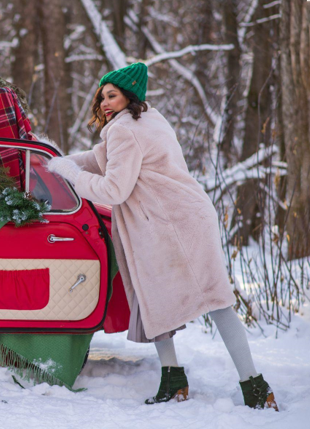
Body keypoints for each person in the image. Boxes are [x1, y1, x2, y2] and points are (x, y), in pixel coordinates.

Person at [46, 62, 278, 410]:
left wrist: (70, 174)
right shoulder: (146, 120)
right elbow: (99, 158)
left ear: (130, 95)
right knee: (153, 300)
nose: (105, 102)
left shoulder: (125, 130)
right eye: (102, 96)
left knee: (216, 301)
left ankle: (255, 386)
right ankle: (174, 380)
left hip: (175, 224)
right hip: (174, 220)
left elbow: (112, 189)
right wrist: (56, 158)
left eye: (113, 95)